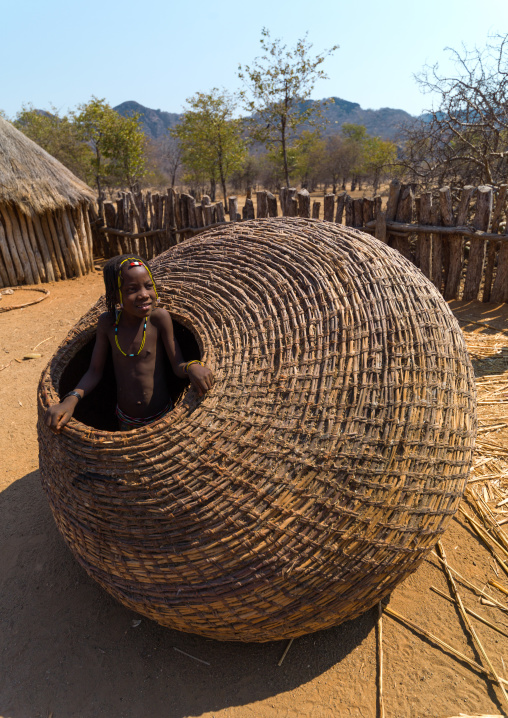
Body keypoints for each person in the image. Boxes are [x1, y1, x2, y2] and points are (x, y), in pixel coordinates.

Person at [45, 254, 213, 432]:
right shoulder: (108, 324)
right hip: (125, 420)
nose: (144, 295)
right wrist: (71, 399)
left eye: (148, 286)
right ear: (116, 295)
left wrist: (192, 366)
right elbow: (94, 371)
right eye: (132, 289)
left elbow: (177, 365)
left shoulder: (158, 319)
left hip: (163, 417)